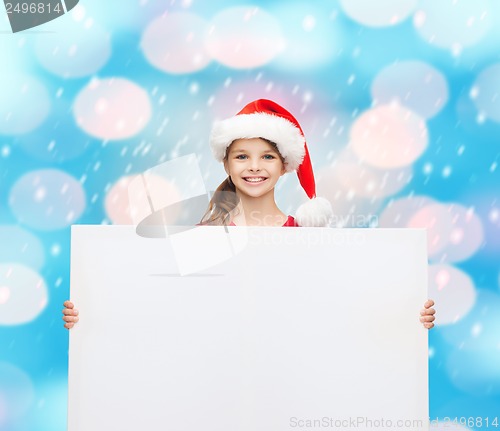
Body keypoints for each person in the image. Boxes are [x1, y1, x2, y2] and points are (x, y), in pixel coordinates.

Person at [63, 99, 436, 329]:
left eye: (267, 156)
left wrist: (405, 317)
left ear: (285, 165)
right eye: (242, 156)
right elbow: (159, 305)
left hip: (286, 379)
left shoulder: (305, 237)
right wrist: (93, 315)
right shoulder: (201, 236)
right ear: (225, 161)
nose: (253, 167)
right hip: (212, 382)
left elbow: (341, 307)